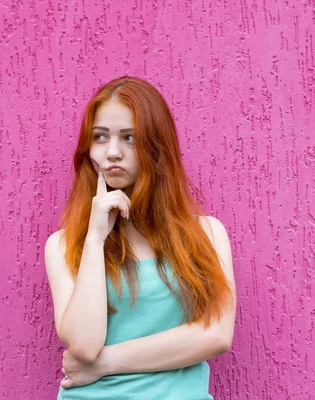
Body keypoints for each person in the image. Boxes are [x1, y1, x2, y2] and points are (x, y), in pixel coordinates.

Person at [44, 76, 236, 399]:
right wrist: (94, 240)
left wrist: (106, 363)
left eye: (129, 137)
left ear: (156, 146)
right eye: (100, 137)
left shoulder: (207, 234)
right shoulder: (64, 245)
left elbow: (216, 335)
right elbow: (84, 346)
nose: (113, 152)